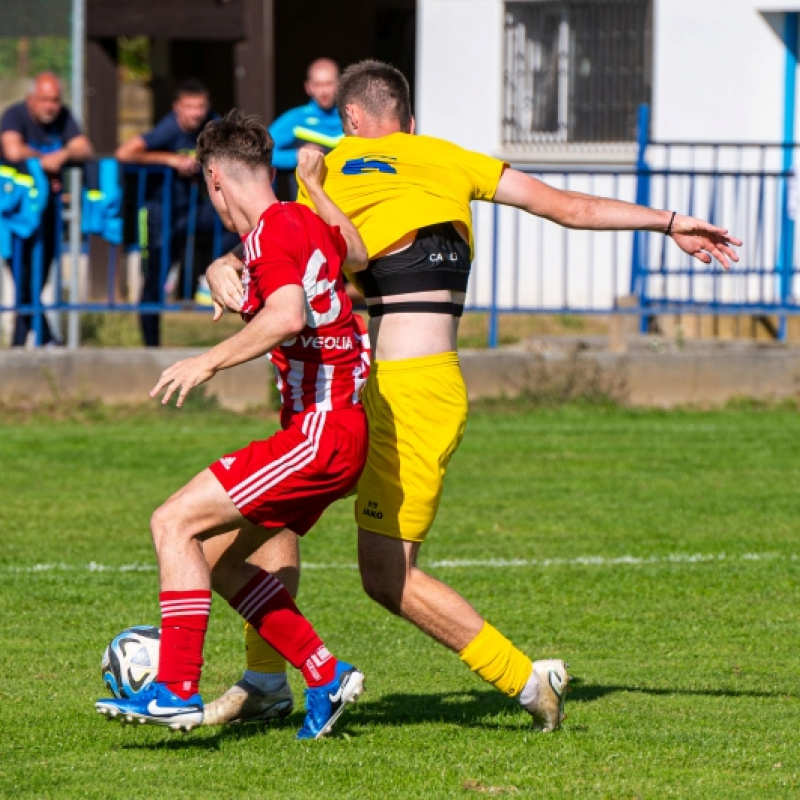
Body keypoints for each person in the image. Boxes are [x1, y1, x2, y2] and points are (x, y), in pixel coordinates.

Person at [203, 61, 742, 733]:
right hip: (406, 387)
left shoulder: (340, 168)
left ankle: (524, 679)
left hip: (403, 391)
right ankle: (266, 679)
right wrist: (668, 222)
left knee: (386, 576)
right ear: (410, 122)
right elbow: (568, 208)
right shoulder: (450, 159)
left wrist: (220, 265)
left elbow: (294, 250)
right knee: (278, 513)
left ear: (350, 122)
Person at [96, 110, 371, 740]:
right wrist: (311, 193)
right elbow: (353, 254)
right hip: (334, 434)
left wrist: (206, 361)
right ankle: (325, 673)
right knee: (220, 562)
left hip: (318, 434)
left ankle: (174, 691)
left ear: (214, 178)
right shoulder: (299, 218)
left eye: (206, 187)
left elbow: (285, 314)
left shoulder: (273, 232)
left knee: (172, 521)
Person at [115, 79, 238, 346]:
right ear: (177, 108)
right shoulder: (167, 129)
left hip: (197, 208)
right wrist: (169, 160)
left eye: (200, 107)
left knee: (237, 229)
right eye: (189, 107)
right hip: (162, 211)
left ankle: (210, 279)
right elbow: (124, 153)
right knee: (154, 278)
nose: (195, 113)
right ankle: (151, 345)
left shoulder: (213, 125)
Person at [0, 72, 94, 347]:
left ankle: (22, 342)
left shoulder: (63, 116)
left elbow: (84, 148)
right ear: (31, 99)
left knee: (36, 279)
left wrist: (62, 155)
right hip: (14, 213)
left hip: (47, 211)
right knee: (23, 277)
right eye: (44, 100)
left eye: (55, 100)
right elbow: (13, 150)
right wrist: (45, 160)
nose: (50, 106)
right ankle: (48, 337)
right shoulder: (14, 115)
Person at [269, 58, 343, 200]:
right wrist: (297, 155)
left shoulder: (351, 118)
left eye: (329, 84)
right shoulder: (295, 119)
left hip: (345, 202)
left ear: (339, 85)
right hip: (306, 205)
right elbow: (261, 153)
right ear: (308, 87)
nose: (324, 91)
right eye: (318, 84)